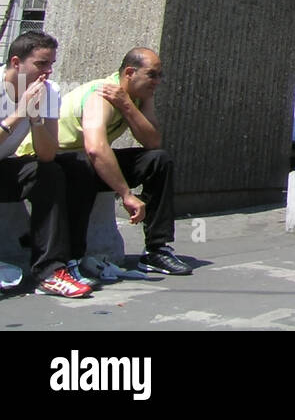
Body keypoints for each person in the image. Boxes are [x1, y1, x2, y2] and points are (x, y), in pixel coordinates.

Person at [21, 47, 190, 275]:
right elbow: (96, 149)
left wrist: (128, 106)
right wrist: (126, 194)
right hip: (49, 159)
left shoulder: (138, 97)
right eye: (152, 75)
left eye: (160, 75)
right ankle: (74, 257)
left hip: (84, 159)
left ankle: (156, 249)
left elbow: (152, 142)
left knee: (158, 160)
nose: (158, 81)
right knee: (86, 165)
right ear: (130, 72)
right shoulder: (101, 94)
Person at [0, 31, 91, 298]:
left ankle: (53, 270)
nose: (48, 71)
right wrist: (19, 114)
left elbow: (48, 154)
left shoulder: (49, 91)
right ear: (16, 63)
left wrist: (37, 119)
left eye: (51, 64)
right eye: (41, 64)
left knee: (57, 169)